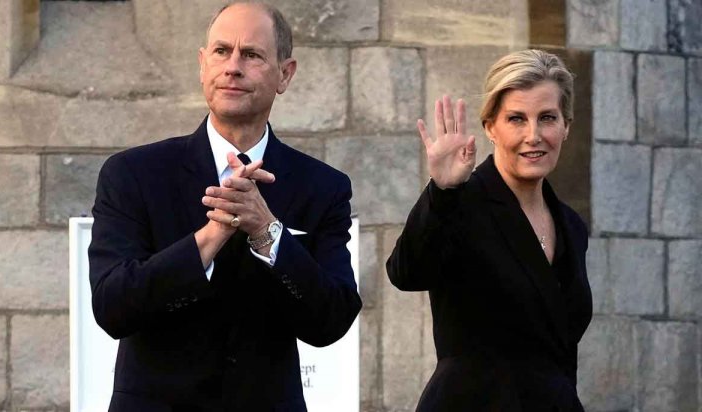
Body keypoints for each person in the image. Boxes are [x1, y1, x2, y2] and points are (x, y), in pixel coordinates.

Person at [88, 2, 362, 410]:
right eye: (221, 51)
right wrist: (212, 235)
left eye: (251, 55)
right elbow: (112, 306)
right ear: (203, 65)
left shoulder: (322, 187)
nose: (233, 67)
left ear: (285, 74)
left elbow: (332, 320)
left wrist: (268, 233)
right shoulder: (134, 174)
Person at [386, 49, 593, 411]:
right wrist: (442, 191)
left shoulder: (571, 225)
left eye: (547, 118)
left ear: (566, 126)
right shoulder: (459, 202)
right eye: (516, 119)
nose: (533, 135)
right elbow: (407, 273)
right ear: (490, 127)